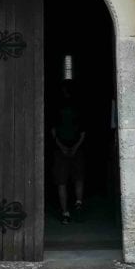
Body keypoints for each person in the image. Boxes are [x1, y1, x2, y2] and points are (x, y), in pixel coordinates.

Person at [51, 84, 85, 224]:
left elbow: (53, 132)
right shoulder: (78, 108)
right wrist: (75, 147)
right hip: (72, 148)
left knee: (63, 181)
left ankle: (66, 212)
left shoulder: (57, 108)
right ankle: (78, 203)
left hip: (63, 149)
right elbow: (83, 133)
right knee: (76, 178)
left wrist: (63, 147)